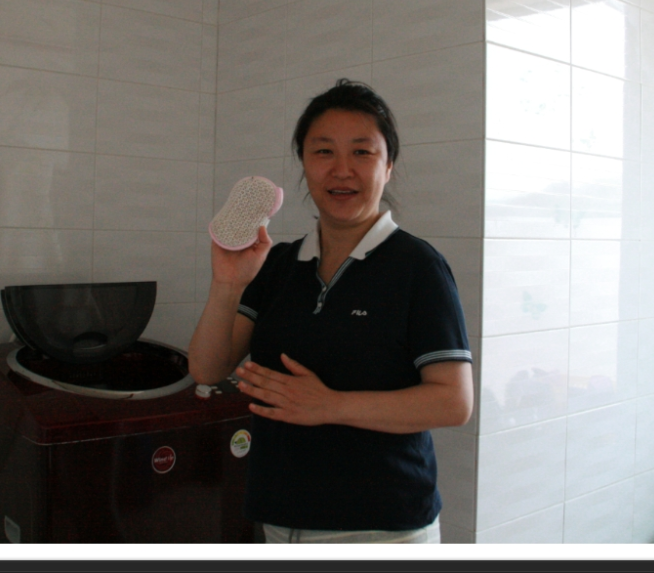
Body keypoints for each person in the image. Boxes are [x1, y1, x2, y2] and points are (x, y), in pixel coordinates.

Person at [188, 79, 473, 544]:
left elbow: (453, 402)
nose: (342, 170)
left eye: (362, 152)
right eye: (323, 152)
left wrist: (331, 405)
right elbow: (206, 368)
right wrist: (227, 284)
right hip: (281, 520)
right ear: (304, 163)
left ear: (388, 166)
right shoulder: (278, 263)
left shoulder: (417, 266)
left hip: (381, 529)